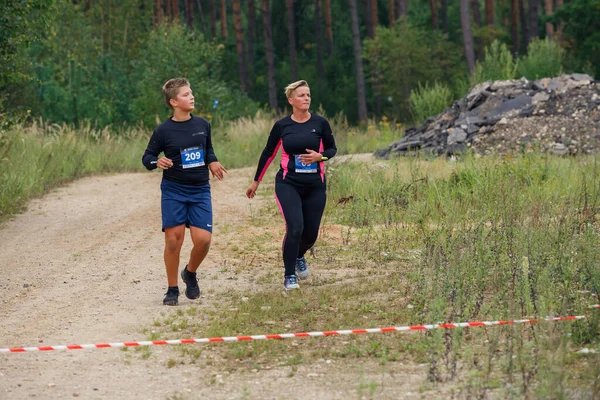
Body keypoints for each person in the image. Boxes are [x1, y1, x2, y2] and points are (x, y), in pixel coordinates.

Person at [142, 77, 227, 306]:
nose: (192, 97)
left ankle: (190, 272)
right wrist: (156, 162)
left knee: (203, 241)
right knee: (173, 241)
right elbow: (147, 158)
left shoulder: (202, 125)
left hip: (200, 190)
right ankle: (172, 289)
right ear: (173, 102)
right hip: (174, 190)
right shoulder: (163, 130)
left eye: (191, 93)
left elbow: (208, 149)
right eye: (186, 94)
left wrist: (213, 161)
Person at [246, 80, 337, 291]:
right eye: (301, 95)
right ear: (291, 100)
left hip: (315, 185)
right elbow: (269, 153)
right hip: (289, 184)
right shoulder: (282, 126)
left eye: (308, 95)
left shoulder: (320, 123)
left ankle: (298, 256)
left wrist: (320, 157)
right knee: (295, 227)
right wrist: (256, 181)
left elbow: (332, 149)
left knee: (311, 234)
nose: (306, 98)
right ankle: (289, 276)